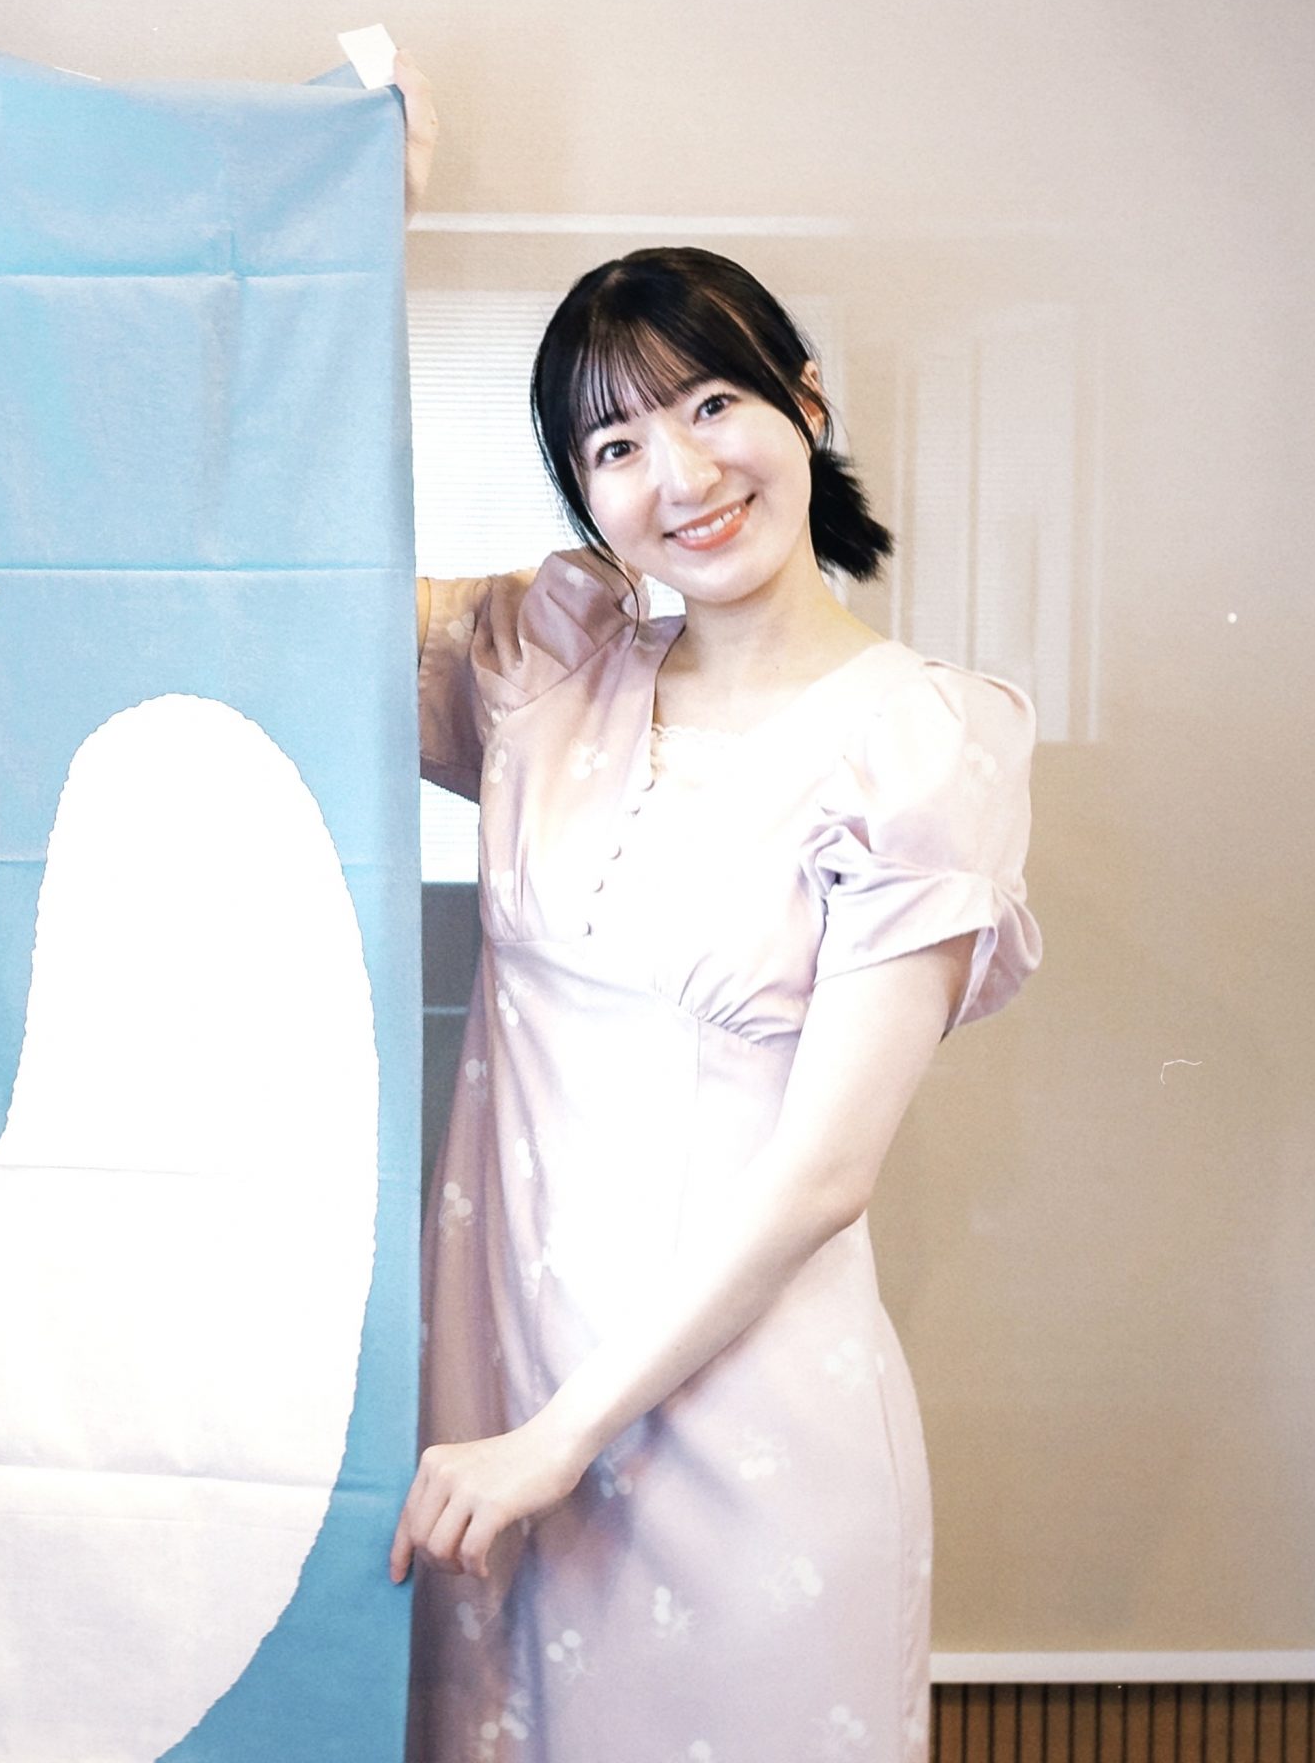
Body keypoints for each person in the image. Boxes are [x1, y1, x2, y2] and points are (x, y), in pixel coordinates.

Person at [389, 244, 1041, 1762]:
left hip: (738, 1439)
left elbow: (824, 1173)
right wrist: (337, 183)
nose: (678, 475)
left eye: (711, 404)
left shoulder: (918, 744)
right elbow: (266, 579)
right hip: (497, 1401)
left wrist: (556, 1443)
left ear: (804, 403)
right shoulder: (546, 671)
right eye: (614, 446)